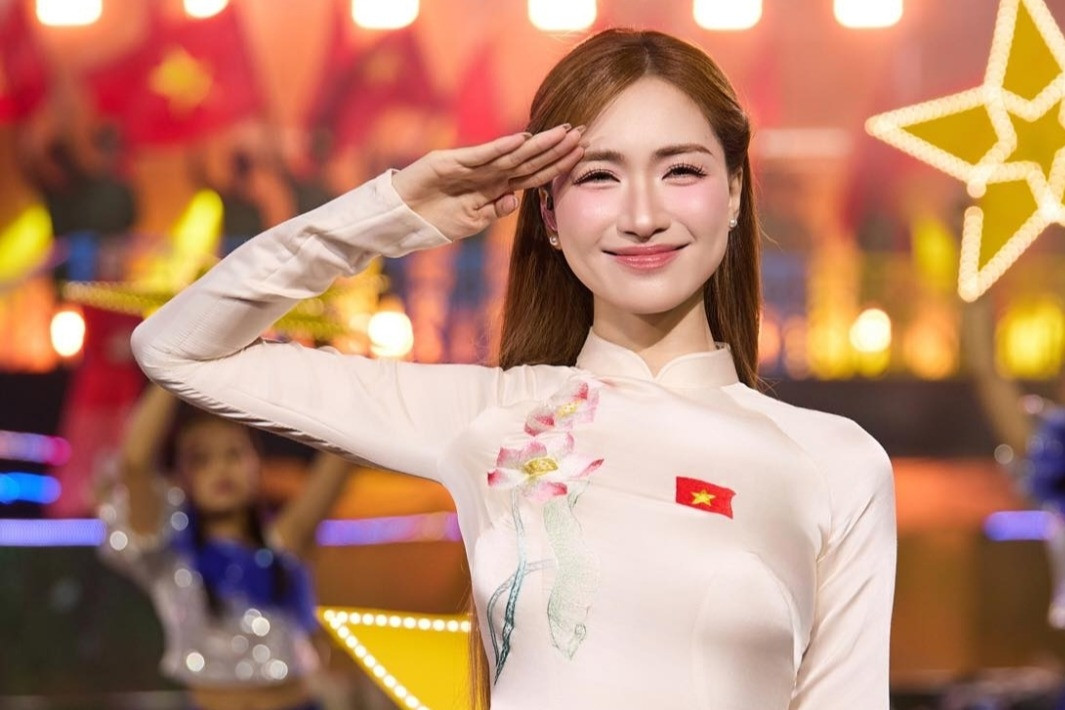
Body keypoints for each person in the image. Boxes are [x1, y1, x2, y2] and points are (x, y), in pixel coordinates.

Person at [131, 29, 896, 709]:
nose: (641, 215)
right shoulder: (492, 418)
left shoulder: (834, 463)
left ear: (732, 192)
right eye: (597, 176)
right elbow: (178, 349)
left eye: (680, 171)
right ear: (549, 216)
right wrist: (397, 210)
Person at [98, 382, 352, 710]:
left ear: (257, 463)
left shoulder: (284, 542)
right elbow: (135, 464)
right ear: (180, 475)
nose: (221, 469)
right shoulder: (170, 555)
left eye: (234, 454)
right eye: (201, 460)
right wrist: (172, 375)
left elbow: (342, 452)